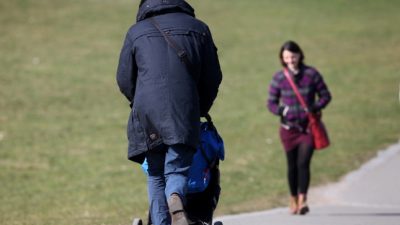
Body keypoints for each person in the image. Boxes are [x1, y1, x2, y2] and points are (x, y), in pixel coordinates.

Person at [116, 0, 222, 225]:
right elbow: (213, 78)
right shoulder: (199, 28)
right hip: (184, 109)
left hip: (147, 112)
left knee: (155, 172)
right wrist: (199, 108)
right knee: (177, 168)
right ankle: (175, 196)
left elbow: (124, 78)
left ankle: (161, 221)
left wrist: (138, 103)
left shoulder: (136, 32)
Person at [267, 40, 331, 215]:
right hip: (288, 130)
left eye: (293, 56)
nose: (290, 60)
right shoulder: (279, 78)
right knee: (292, 165)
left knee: (303, 163)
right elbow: (271, 103)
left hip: (308, 128)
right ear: (282, 58)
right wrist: (282, 110)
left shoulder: (312, 74)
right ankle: (293, 198)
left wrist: (315, 107)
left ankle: (303, 199)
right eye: (286, 57)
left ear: (300, 55)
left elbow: (326, 96)